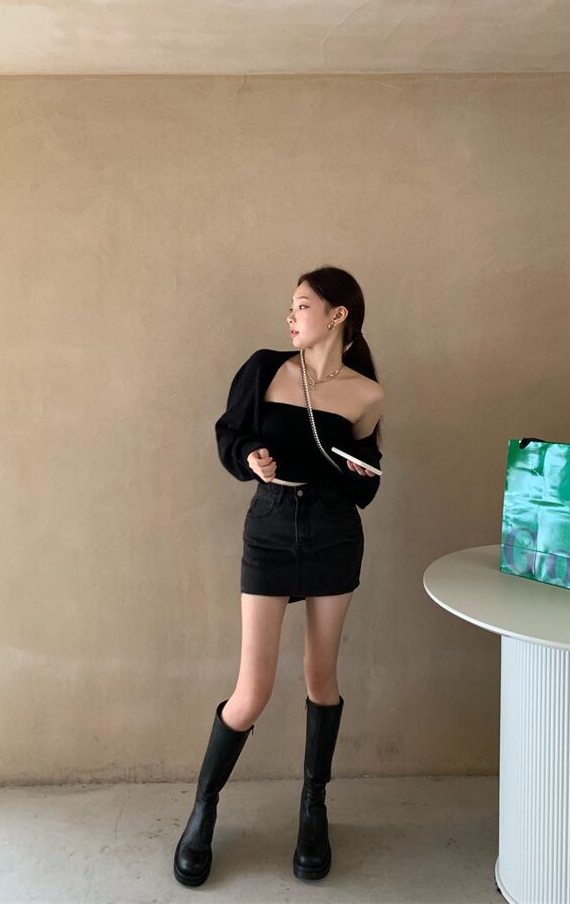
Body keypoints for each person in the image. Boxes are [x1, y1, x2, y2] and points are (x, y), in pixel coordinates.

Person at [173, 265, 386, 886]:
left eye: (302, 306)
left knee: (321, 678)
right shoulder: (266, 368)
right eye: (291, 307)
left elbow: (366, 482)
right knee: (253, 690)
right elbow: (229, 434)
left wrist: (358, 471)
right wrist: (250, 457)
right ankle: (203, 808)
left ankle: (313, 808)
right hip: (269, 527)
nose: (291, 317)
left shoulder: (367, 395)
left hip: (333, 531)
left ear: (338, 314)